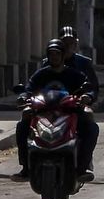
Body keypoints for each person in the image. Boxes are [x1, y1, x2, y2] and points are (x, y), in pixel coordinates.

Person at [14, 39, 98, 182]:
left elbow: (89, 88)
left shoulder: (73, 74)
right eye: (51, 54)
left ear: (63, 55)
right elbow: (28, 89)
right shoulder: (41, 74)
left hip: (69, 110)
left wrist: (87, 96)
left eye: (57, 54)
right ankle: (26, 167)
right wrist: (23, 97)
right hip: (43, 111)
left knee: (91, 127)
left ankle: (82, 168)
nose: (54, 57)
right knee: (22, 125)